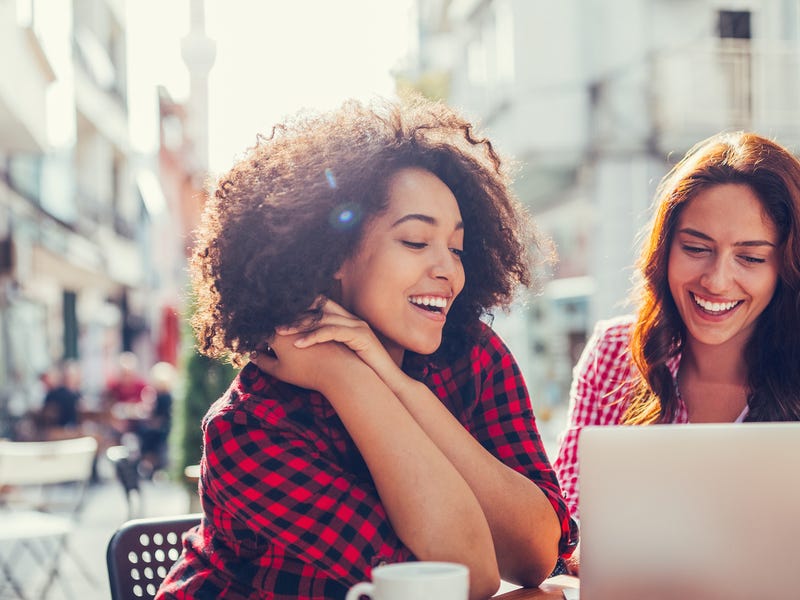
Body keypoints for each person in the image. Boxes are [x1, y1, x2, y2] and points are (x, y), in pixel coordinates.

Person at [157, 96, 577, 600]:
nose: (449, 270)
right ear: (332, 255)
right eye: (417, 242)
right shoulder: (250, 429)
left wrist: (399, 387)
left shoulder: (469, 356)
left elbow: (536, 554)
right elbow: (462, 582)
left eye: (458, 249)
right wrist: (348, 379)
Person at [554, 131, 800, 569]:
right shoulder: (614, 354)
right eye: (696, 249)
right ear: (665, 249)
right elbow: (567, 520)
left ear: (786, 267)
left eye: (751, 258)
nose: (717, 281)